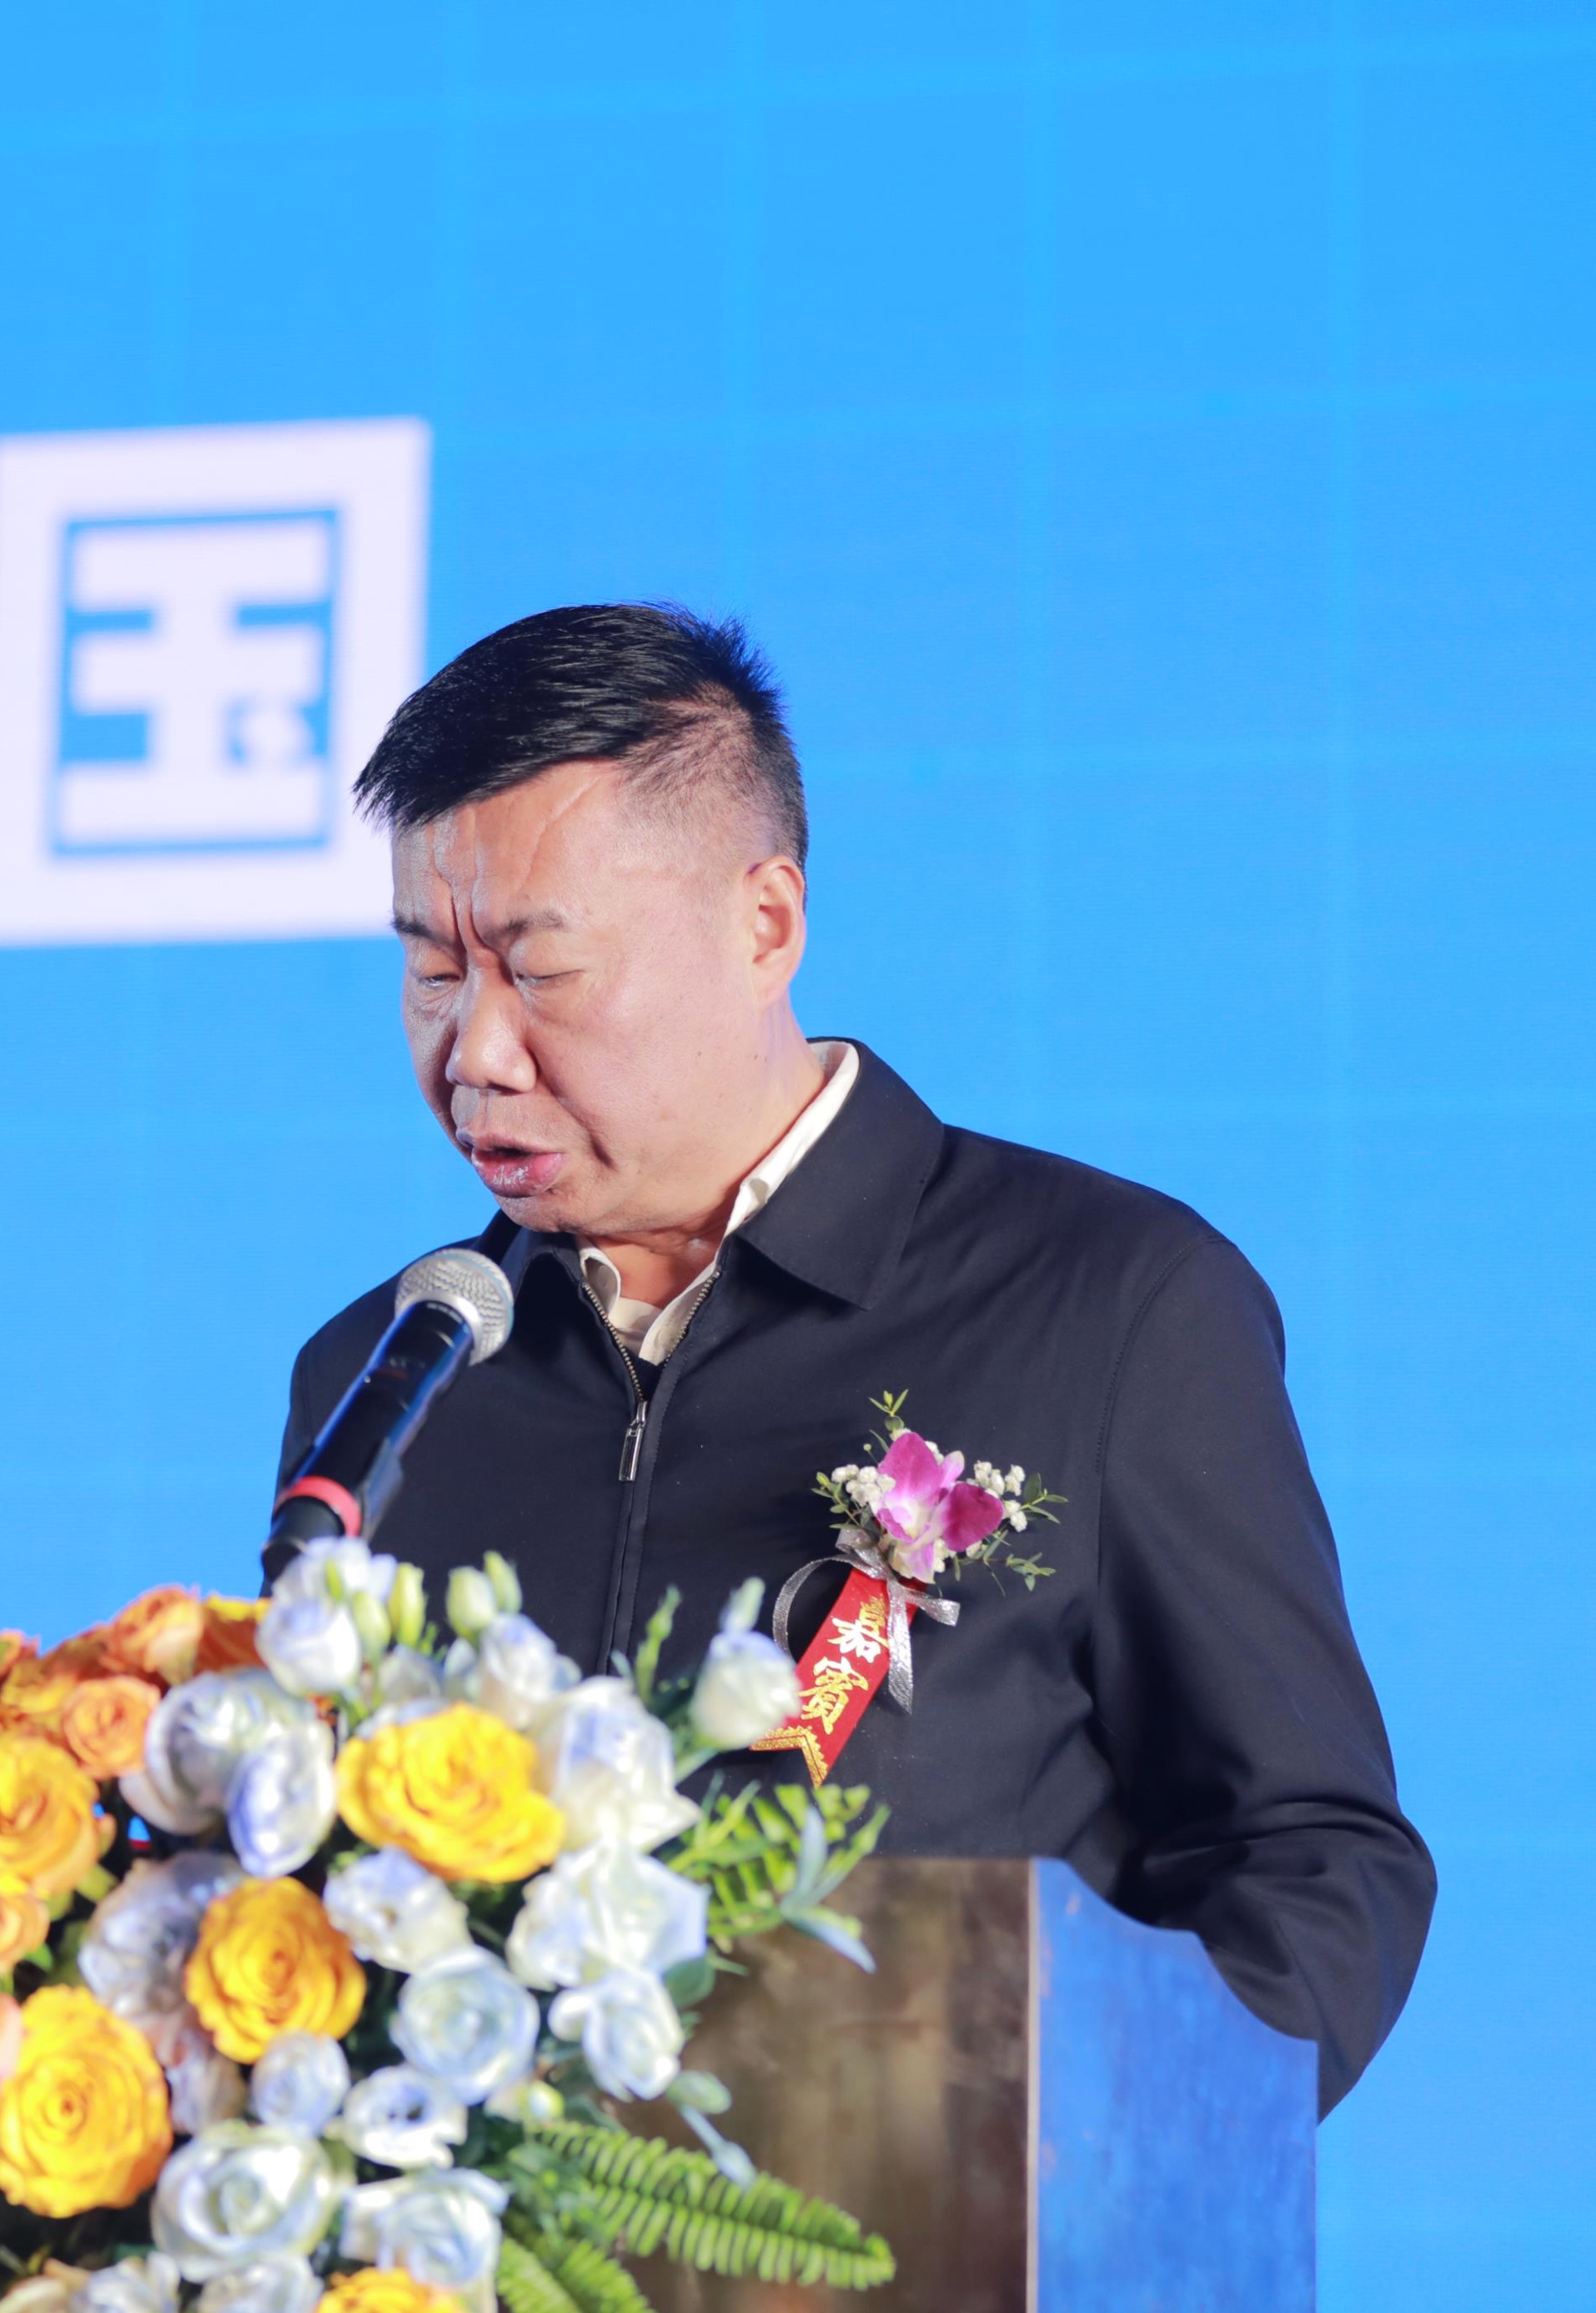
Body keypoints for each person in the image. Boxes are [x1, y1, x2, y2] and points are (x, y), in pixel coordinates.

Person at [270, 602, 1432, 2114]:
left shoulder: (1111, 1302)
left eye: (539, 970)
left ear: (764, 924)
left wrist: (1099, 2157)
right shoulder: (391, 1373)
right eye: (434, 970)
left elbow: (1311, 1862)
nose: (475, 1051)